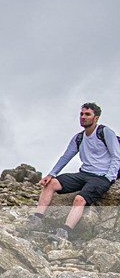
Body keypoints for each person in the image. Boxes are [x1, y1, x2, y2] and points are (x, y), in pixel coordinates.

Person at [29, 103, 120, 242]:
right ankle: (36, 219)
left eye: (87, 114)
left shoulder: (105, 132)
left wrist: (109, 177)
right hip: (84, 174)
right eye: (81, 114)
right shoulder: (79, 138)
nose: (83, 117)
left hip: (101, 177)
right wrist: (51, 174)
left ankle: (65, 232)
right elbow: (66, 157)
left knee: (79, 199)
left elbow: (116, 155)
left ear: (96, 118)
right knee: (51, 184)